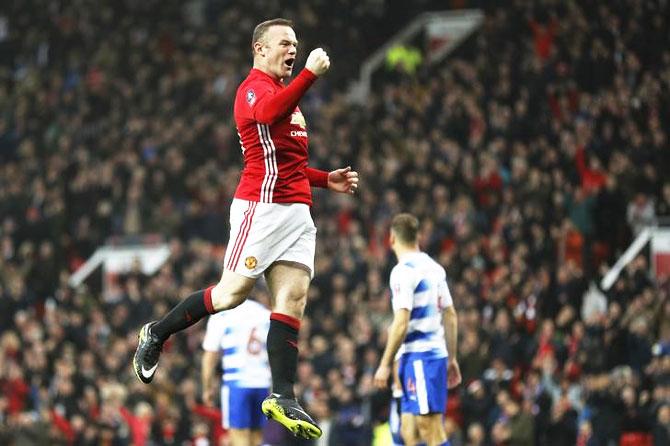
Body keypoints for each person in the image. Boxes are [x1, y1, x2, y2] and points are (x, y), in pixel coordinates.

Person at [132, 18, 359, 440]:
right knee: (231, 294)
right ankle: (155, 333)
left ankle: (283, 395)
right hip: (261, 208)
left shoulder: (289, 96)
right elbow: (268, 115)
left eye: (296, 44)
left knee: (293, 297)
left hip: (296, 212)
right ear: (259, 49)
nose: (292, 50)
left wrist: (325, 178)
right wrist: (310, 73)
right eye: (284, 43)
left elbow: (287, 163)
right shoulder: (253, 89)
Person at [374, 213, 462, 446]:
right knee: (408, 431)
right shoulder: (434, 268)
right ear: (418, 238)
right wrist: (451, 358)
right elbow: (450, 316)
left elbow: (401, 323)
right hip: (420, 357)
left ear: (392, 239)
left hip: (423, 357)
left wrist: (384, 364)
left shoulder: (403, 271)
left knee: (430, 429)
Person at [201, 296, 271, 446]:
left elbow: (210, 355)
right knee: (256, 438)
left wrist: (207, 387)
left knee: (239, 438)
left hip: (237, 383)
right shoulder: (264, 313)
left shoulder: (223, 313)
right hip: (262, 382)